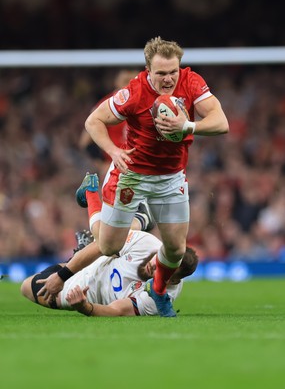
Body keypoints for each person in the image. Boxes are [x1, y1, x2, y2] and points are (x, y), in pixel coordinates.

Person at [82, 36, 229, 317]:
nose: (168, 79)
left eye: (173, 71)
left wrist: (186, 125)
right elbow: (93, 121)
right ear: (148, 70)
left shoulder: (192, 82)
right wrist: (113, 151)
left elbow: (221, 123)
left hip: (171, 177)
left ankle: (158, 291)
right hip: (133, 175)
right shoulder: (134, 92)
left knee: (175, 250)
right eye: (161, 73)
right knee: (109, 246)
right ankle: (90, 195)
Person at [21, 202, 198, 317]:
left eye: (164, 270)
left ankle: (134, 218)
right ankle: (137, 220)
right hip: (91, 263)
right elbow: (101, 246)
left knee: (26, 287)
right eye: (160, 260)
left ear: (174, 279)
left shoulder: (156, 301)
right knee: (110, 240)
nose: (155, 266)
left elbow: (117, 310)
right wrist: (61, 276)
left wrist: (85, 306)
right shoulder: (149, 243)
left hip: (81, 289)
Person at [79, 69, 139, 179]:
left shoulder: (144, 103)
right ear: (117, 82)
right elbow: (86, 141)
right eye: (125, 81)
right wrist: (102, 164)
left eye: (131, 81)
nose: (128, 85)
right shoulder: (105, 106)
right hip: (116, 168)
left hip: (141, 169)